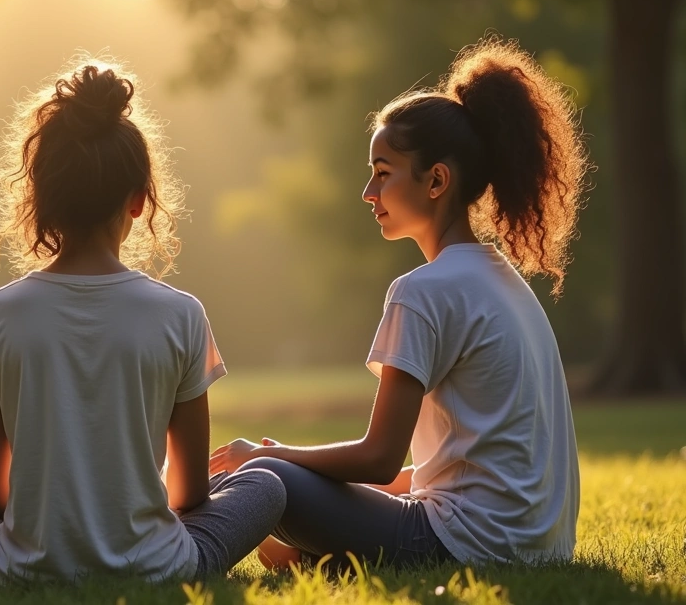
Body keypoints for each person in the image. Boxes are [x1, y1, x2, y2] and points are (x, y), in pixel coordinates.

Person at [210, 36, 587, 570]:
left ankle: (188, 550)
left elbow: (378, 456)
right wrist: (300, 464)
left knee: (264, 481)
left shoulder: (423, 291)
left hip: (464, 546)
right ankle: (314, 557)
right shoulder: (505, 282)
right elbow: (430, 472)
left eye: (383, 173)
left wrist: (271, 458)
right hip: (536, 548)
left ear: (436, 180)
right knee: (282, 496)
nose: (368, 192)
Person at [0, 60, 287, 584]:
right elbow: (191, 493)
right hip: (160, 567)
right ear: (138, 200)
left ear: (40, 197)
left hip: (19, 570)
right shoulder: (182, 314)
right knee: (266, 485)